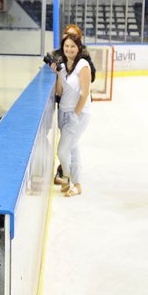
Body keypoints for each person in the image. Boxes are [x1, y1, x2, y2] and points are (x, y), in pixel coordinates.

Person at [53, 24, 96, 187]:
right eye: (66, 44)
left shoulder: (83, 64)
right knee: (73, 147)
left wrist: (75, 115)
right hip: (63, 111)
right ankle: (75, 182)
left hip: (76, 112)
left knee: (64, 150)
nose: (69, 48)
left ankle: (68, 178)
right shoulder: (63, 65)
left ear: (79, 46)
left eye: (72, 45)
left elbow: (85, 91)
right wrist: (57, 73)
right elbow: (59, 91)